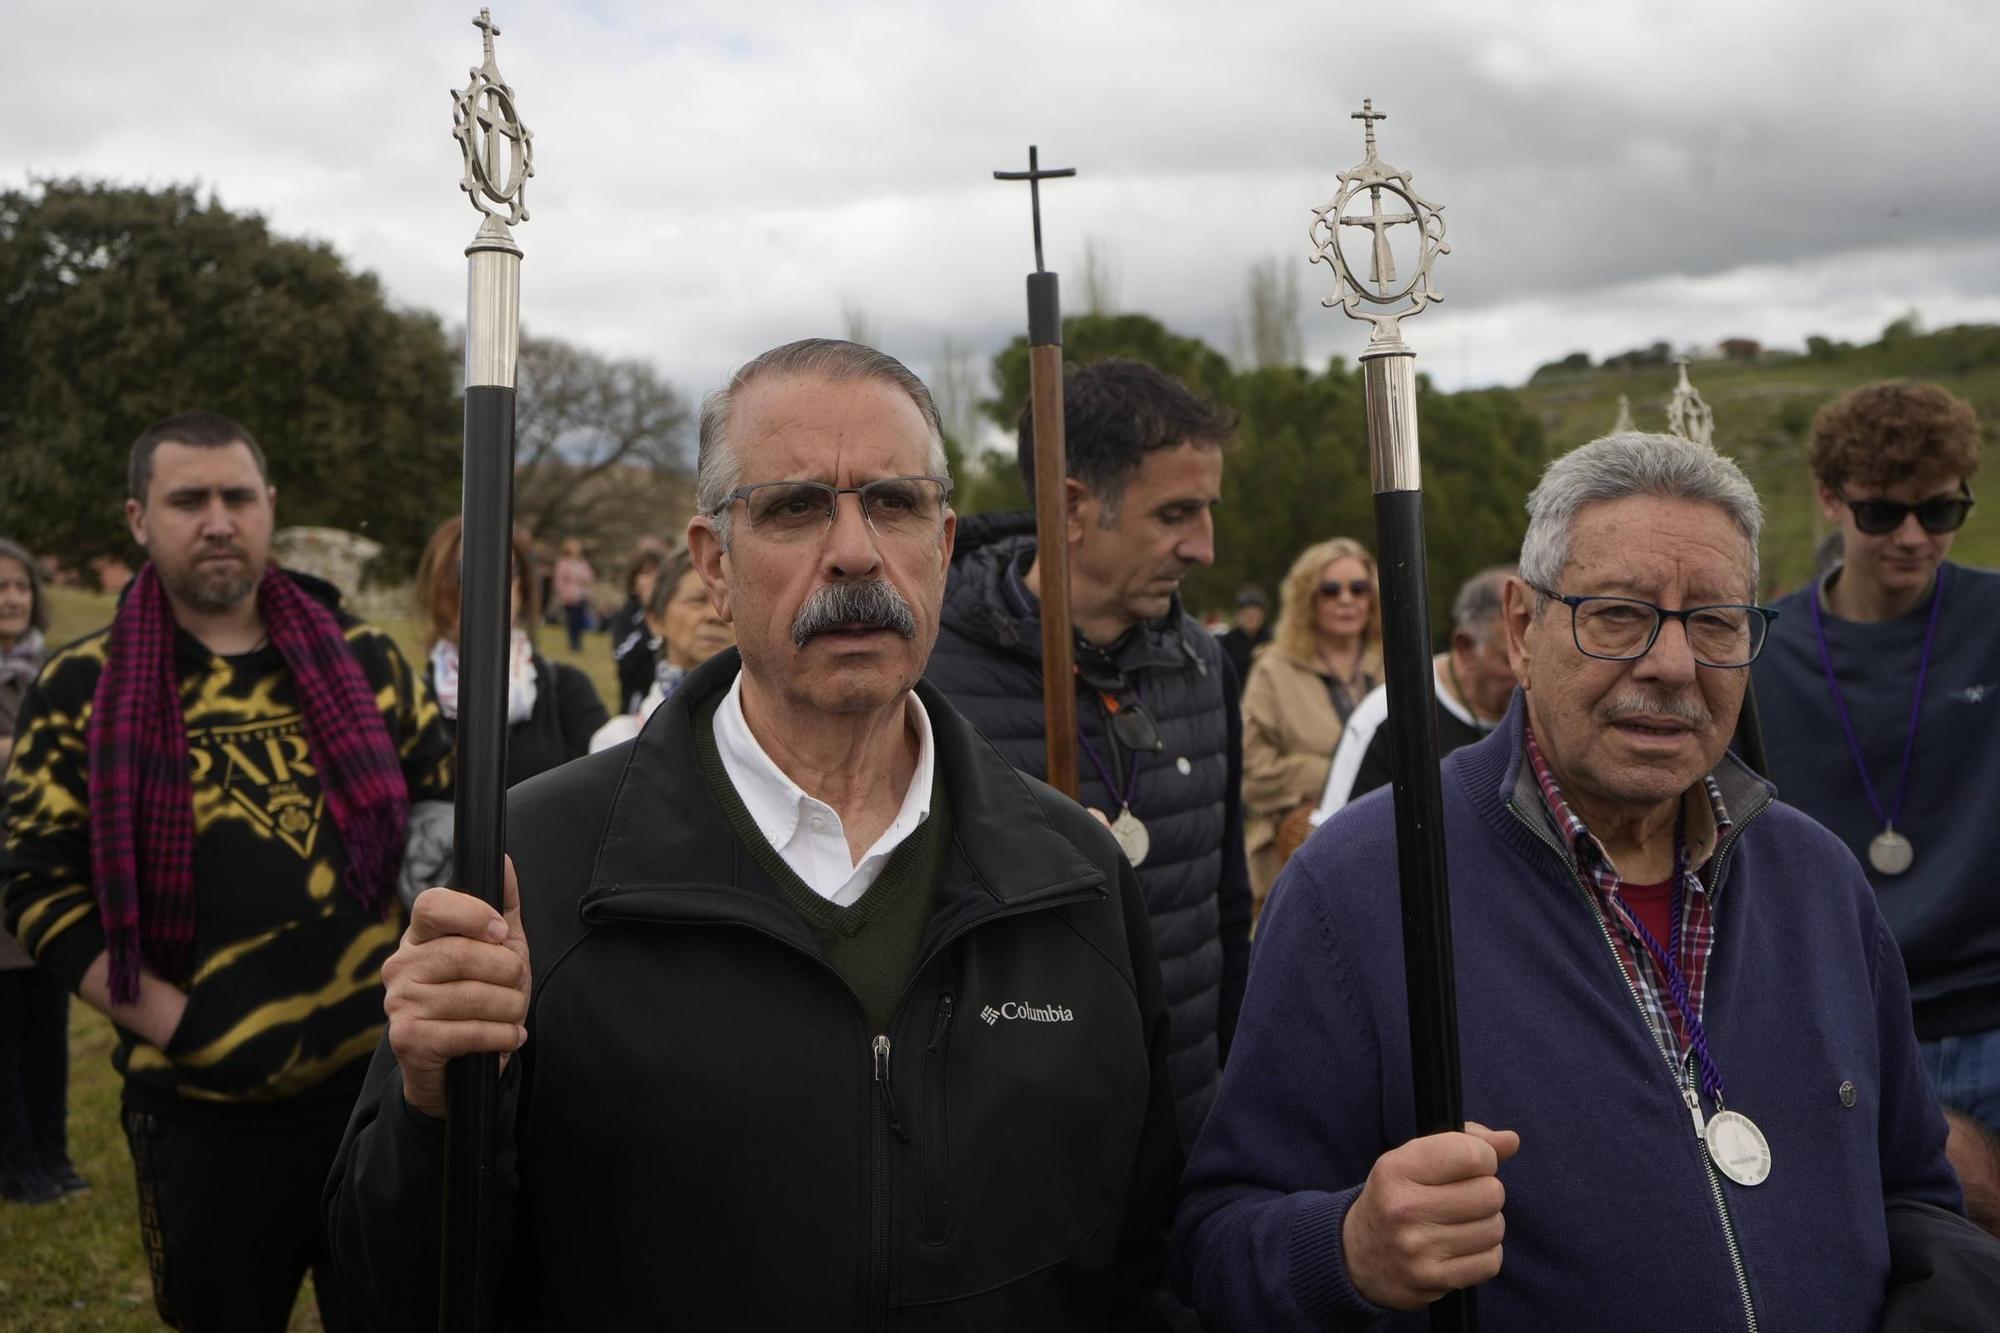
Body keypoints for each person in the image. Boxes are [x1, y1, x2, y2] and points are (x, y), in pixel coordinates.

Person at [325, 339, 1180, 1327]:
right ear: (712, 566)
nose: (855, 548)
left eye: (894, 503)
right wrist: (431, 1112)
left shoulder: (1072, 876)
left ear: (942, 548)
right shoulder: (532, 869)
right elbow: (383, 1292)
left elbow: (1136, 1255)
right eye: (794, 506)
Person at [1175, 432, 1966, 1329]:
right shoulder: (1365, 886)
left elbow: (1915, 1201)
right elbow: (1218, 1241)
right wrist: (1349, 1250)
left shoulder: (1819, 882)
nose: (1673, 665)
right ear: (1521, 626)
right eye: (1620, 613)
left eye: (1714, 621)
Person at [1, 413, 452, 1329]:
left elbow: (443, 812)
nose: (217, 520)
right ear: (139, 518)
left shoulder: (362, 658)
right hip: (201, 1113)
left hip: (380, 1092)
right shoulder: (82, 688)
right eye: (187, 499)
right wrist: (180, 1022)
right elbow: (33, 883)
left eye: (237, 497)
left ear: (269, 509)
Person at [926, 357, 1252, 1146]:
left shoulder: (1205, 667)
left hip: (1182, 1135)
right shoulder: (927, 678)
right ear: (1071, 506)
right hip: (1001, 1151)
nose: (1204, 547)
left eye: (1207, 510)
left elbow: (1225, 909)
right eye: (1175, 513)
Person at [1752, 381, 2000, 1138]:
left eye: (1942, 511)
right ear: (1830, 499)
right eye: (1883, 512)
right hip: (1842, 1032)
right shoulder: (1759, 651)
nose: (1915, 537)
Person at [0, 537, 84, 1205]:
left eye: (20, 587)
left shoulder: (49, 675)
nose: (11, 598)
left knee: (47, 1032)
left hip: (48, 880)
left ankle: (56, 1155)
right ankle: (19, 1166)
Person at [1239, 538, 1381, 909]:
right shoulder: (1273, 670)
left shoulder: (1396, 664)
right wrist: (1331, 776)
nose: (1346, 600)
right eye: (1330, 590)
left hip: (1385, 852)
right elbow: (1250, 772)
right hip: (1296, 861)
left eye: (1359, 589)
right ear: (1307, 600)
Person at [1313, 564, 1519, 820]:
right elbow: (1335, 837)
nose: (1526, 670)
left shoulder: (1551, 709)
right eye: (1509, 658)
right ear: (1465, 647)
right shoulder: (1389, 715)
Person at [414, 516, 608, 788]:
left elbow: (612, 793)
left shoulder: (568, 691)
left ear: (523, 586)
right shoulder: (413, 703)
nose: (481, 586)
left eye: (501, 570)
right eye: (461, 572)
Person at [587, 543, 734, 752]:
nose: (715, 615)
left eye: (729, 600)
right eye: (698, 600)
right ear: (655, 619)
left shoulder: (775, 742)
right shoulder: (618, 743)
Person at [606, 541, 668, 713]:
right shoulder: (626, 617)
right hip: (636, 709)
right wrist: (648, 626)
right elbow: (624, 658)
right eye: (646, 574)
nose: (653, 581)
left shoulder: (675, 615)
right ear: (634, 583)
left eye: (659, 574)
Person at [1216, 584, 1269, 691]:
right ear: (1237, 616)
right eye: (1246, 614)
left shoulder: (1273, 641)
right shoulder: (1225, 643)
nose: (1251, 618)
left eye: (1255, 615)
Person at [552, 537, 595, 653]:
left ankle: (579, 643)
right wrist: (563, 594)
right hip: (569, 597)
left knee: (580, 620)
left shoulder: (582, 563)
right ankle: (572, 643)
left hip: (582, 596)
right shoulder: (563, 563)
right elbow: (559, 581)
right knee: (572, 621)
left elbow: (589, 576)